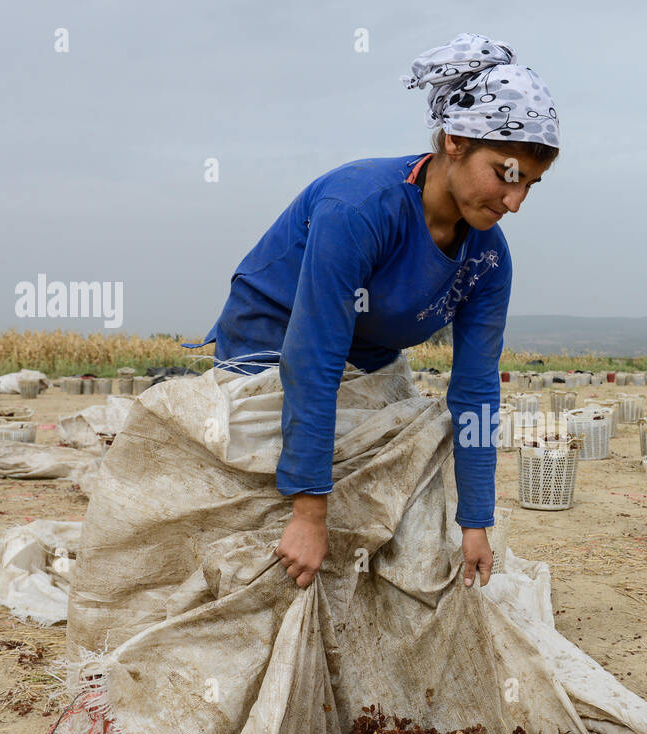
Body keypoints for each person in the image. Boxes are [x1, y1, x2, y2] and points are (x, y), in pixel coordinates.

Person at [186, 33, 559, 592]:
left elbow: (477, 387)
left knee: (388, 509)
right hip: (273, 342)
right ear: (455, 141)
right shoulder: (359, 207)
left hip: (369, 359)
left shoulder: (486, 258)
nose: (515, 202)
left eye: (530, 183)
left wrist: (476, 520)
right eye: (507, 174)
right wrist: (310, 514)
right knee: (271, 518)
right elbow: (313, 357)